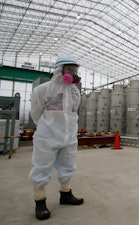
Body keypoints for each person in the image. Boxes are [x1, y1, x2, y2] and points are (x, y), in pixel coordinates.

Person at [28, 55, 84, 220]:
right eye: (69, 70)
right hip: (48, 136)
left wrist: (71, 131)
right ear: (59, 70)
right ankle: (40, 201)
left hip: (69, 136)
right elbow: (36, 113)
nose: (73, 73)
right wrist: (46, 128)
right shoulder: (43, 89)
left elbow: (73, 112)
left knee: (68, 165)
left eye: (75, 70)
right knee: (42, 166)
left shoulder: (75, 92)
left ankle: (65, 194)